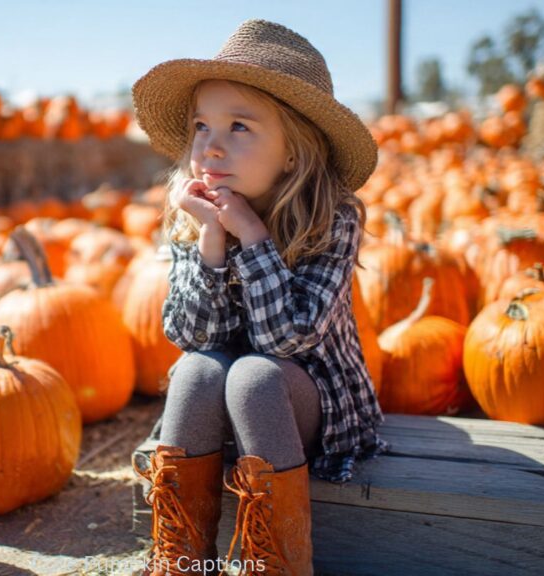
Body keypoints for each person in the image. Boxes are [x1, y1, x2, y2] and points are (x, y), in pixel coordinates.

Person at [130, 19, 386, 576]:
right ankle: (180, 559)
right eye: (201, 126)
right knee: (195, 371)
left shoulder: (332, 221)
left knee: (253, 375)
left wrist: (253, 237)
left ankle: (277, 565)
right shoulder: (192, 221)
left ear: (293, 154)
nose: (210, 145)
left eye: (239, 127)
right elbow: (193, 336)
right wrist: (213, 242)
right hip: (219, 407)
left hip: (309, 404)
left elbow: (286, 339)